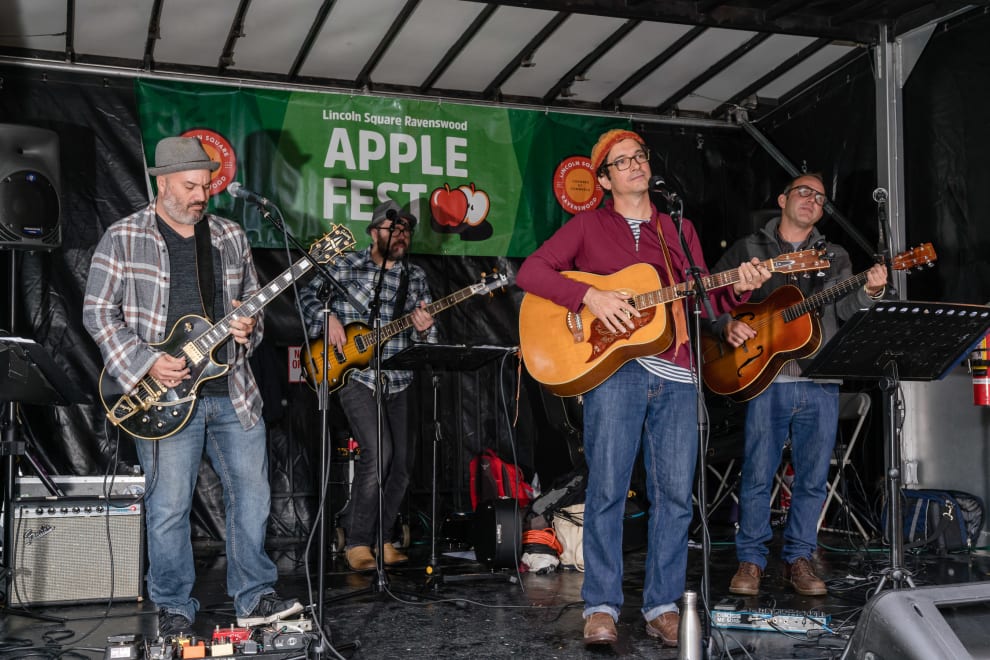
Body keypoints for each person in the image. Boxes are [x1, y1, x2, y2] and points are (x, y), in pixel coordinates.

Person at [516, 129, 770, 647]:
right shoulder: (588, 225)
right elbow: (531, 271)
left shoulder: (679, 227)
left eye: (639, 156)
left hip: (678, 374)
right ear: (605, 179)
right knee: (607, 490)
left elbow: (704, 302)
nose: (634, 165)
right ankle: (602, 607)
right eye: (621, 161)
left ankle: (660, 606)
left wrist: (739, 286)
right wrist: (589, 297)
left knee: (675, 496)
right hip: (615, 373)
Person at [83, 137, 302, 638]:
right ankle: (173, 605)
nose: (201, 195)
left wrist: (249, 328)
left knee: (253, 497)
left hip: (233, 392)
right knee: (169, 507)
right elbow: (97, 311)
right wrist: (144, 362)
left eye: (205, 185)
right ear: (162, 182)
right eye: (190, 186)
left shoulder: (228, 235)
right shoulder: (123, 237)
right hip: (161, 396)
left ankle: (255, 596)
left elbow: (252, 305)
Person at [713, 173, 888, 597]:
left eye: (820, 197)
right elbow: (710, 299)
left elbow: (846, 308)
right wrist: (727, 325)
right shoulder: (747, 249)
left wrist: (870, 291)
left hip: (818, 379)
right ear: (783, 199)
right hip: (765, 379)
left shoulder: (834, 255)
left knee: (811, 478)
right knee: (757, 473)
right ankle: (750, 562)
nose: (812, 200)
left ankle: (799, 559)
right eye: (804, 192)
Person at [298, 199, 436, 572]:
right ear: (374, 231)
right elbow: (306, 295)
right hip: (353, 375)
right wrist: (326, 317)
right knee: (379, 454)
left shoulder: (416, 277)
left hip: (399, 378)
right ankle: (357, 541)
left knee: (403, 465)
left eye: (407, 229)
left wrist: (425, 328)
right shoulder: (345, 265)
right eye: (395, 228)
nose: (401, 234)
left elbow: (430, 341)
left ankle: (383, 538)